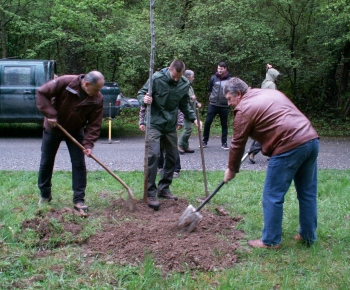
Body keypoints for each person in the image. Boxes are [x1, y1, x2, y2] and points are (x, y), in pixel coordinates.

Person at [223, 77, 319, 249]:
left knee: (272, 195)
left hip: (289, 146)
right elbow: (279, 118)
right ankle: (308, 235)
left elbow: (237, 143)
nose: (230, 104)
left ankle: (271, 241)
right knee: (307, 192)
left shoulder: (243, 109)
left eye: (230, 99)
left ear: (238, 94)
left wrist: (232, 169)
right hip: (310, 139)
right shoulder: (268, 92)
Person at [36, 71, 105, 212]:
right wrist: (50, 114)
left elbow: (94, 124)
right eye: (96, 89)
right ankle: (45, 195)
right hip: (54, 127)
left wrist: (88, 144)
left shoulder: (98, 98)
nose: (98, 92)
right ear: (86, 84)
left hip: (75, 130)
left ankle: (79, 199)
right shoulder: (65, 82)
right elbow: (41, 93)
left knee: (79, 164)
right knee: (46, 162)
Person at [137, 60, 200, 210]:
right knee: (153, 155)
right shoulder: (156, 79)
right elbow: (141, 93)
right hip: (154, 123)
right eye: (174, 76)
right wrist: (144, 99)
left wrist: (194, 118)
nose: (176, 79)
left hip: (169, 125)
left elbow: (184, 104)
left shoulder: (184, 83)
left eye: (179, 76)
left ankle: (164, 188)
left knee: (172, 156)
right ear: (169, 70)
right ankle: (150, 193)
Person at [249, 64, 280, 164]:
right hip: (269, 112)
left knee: (269, 133)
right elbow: (274, 99)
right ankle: (253, 153)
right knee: (267, 133)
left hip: (263, 111)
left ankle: (270, 155)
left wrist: (269, 68)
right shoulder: (271, 85)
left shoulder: (265, 82)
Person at [139, 106, 182, 178]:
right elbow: (144, 107)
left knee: (171, 147)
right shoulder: (150, 95)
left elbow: (178, 106)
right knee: (155, 146)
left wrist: (180, 121)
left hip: (169, 123)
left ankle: (175, 169)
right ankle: (160, 166)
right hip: (154, 124)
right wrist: (142, 122)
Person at [202, 61, 231, 150]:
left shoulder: (230, 79)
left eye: (221, 69)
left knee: (224, 124)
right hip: (213, 104)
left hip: (224, 105)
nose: (219, 70)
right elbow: (210, 89)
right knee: (208, 122)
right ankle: (204, 141)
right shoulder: (213, 78)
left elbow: (231, 91)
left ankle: (224, 142)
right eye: (218, 68)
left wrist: (229, 100)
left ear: (225, 69)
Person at [177, 70, 202, 154]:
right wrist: (192, 98)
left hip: (191, 111)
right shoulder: (183, 86)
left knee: (189, 129)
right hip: (185, 111)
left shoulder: (189, 87)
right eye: (193, 76)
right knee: (188, 129)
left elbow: (192, 98)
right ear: (188, 77)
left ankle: (185, 145)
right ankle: (179, 144)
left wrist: (197, 102)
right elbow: (183, 99)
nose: (193, 78)